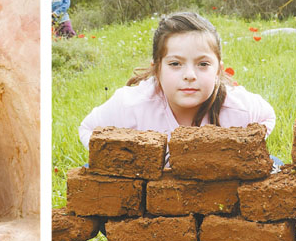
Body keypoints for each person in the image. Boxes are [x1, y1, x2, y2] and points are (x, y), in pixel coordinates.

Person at [79, 11, 276, 149]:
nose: (189, 75)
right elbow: (88, 128)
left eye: (203, 64)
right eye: (175, 64)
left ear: (218, 71)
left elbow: (267, 116)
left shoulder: (237, 107)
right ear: (157, 69)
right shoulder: (132, 105)